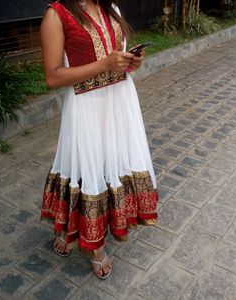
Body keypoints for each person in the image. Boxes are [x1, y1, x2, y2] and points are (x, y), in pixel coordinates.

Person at [40, 0, 158, 279]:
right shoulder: (56, 14)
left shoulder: (112, 7)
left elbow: (118, 58)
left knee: (112, 164)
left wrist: (131, 63)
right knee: (84, 166)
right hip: (86, 106)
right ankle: (87, 241)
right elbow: (52, 77)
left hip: (120, 99)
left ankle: (79, 230)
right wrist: (103, 64)